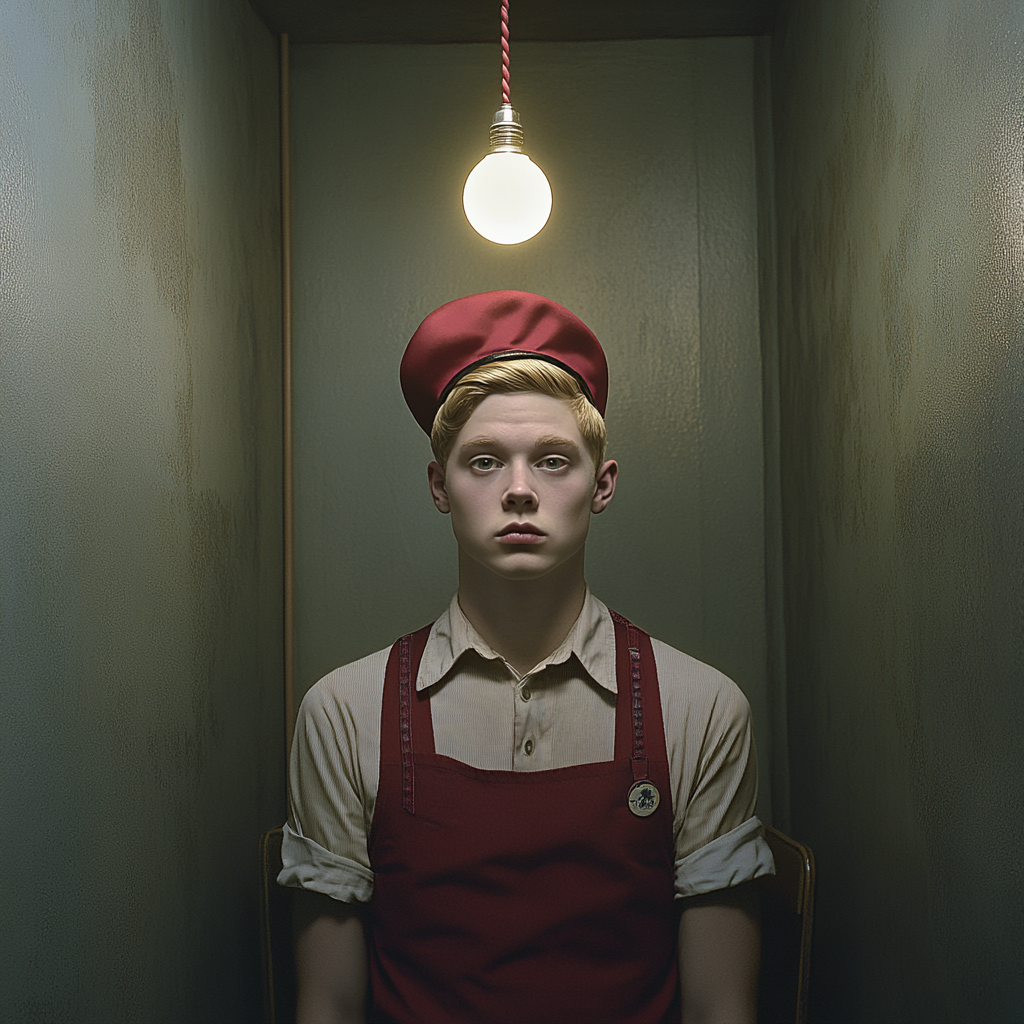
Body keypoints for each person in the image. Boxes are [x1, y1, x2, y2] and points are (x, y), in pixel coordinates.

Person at [279, 290, 775, 1024]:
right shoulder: (344, 713)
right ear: (437, 487)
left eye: (551, 461)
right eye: (483, 462)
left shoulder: (702, 708)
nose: (518, 491)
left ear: (600, 486)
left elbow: (721, 1009)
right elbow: (327, 1007)